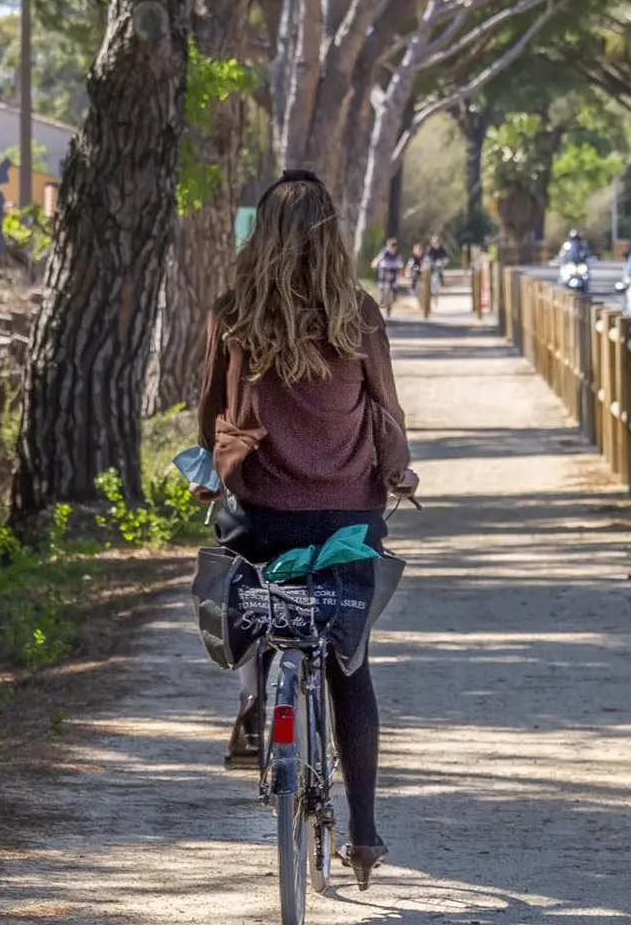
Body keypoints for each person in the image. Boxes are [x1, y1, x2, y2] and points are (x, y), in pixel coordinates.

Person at [199, 170, 415, 884]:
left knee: (262, 603)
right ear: (332, 238)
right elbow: (386, 410)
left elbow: (210, 413)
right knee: (350, 662)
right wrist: (397, 472)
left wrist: (214, 463)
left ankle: (260, 702)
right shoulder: (359, 314)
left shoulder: (233, 313)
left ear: (261, 236)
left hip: (261, 516)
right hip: (349, 519)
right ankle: (365, 835)